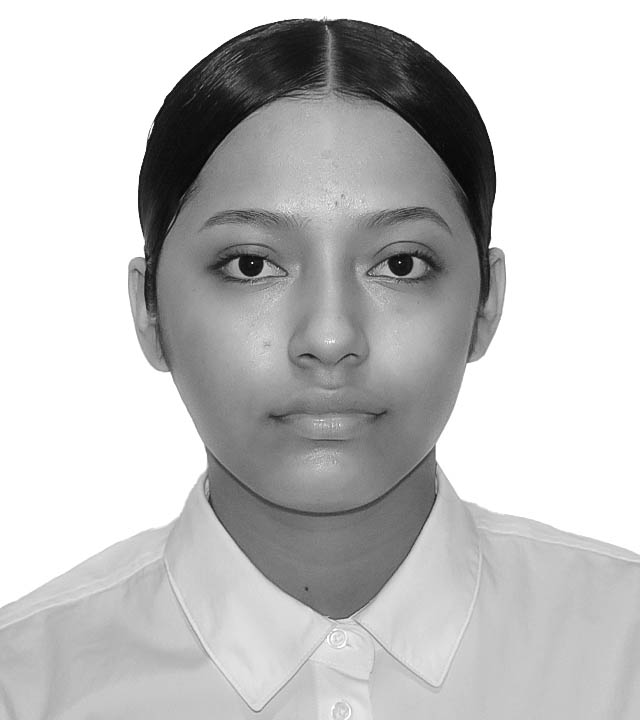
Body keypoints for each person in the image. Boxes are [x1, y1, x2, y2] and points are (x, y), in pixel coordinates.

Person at [1, 17, 638, 719]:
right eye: (251, 265)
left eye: (401, 264)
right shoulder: (25, 688)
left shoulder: (622, 655)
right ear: (149, 311)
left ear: (486, 303)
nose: (330, 338)